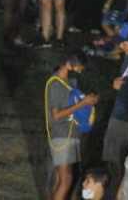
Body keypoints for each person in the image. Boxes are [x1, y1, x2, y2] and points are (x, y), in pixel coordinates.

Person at [46, 52, 98, 200]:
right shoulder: (56, 83)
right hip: (62, 136)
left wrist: (90, 100)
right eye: (79, 67)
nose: (81, 70)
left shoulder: (68, 82)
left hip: (69, 134)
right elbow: (56, 115)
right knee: (66, 179)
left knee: (60, 179)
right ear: (70, 65)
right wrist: (82, 103)